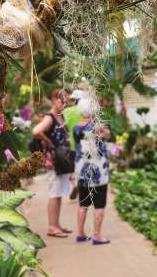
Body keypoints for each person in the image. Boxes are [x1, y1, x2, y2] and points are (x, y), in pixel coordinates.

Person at [32, 89, 73, 238]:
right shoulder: (49, 118)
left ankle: (56, 224)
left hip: (61, 160)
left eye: (66, 101)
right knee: (54, 193)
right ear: (54, 99)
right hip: (54, 161)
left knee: (59, 193)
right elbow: (36, 131)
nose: (64, 104)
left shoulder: (60, 116)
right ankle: (51, 227)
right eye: (62, 100)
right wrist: (47, 141)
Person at [72, 97, 111, 245]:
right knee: (99, 204)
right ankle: (97, 235)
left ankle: (80, 234)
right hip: (98, 172)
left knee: (83, 203)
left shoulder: (76, 128)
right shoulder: (97, 127)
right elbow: (107, 135)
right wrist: (100, 126)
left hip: (82, 171)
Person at [63, 90, 87, 199]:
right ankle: (82, 188)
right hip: (85, 144)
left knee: (72, 168)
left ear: (73, 100)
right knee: (83, 166)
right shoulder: (86, 112)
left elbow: (64, 127)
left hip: (72, 144)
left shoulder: (67, 111)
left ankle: (75, 185)